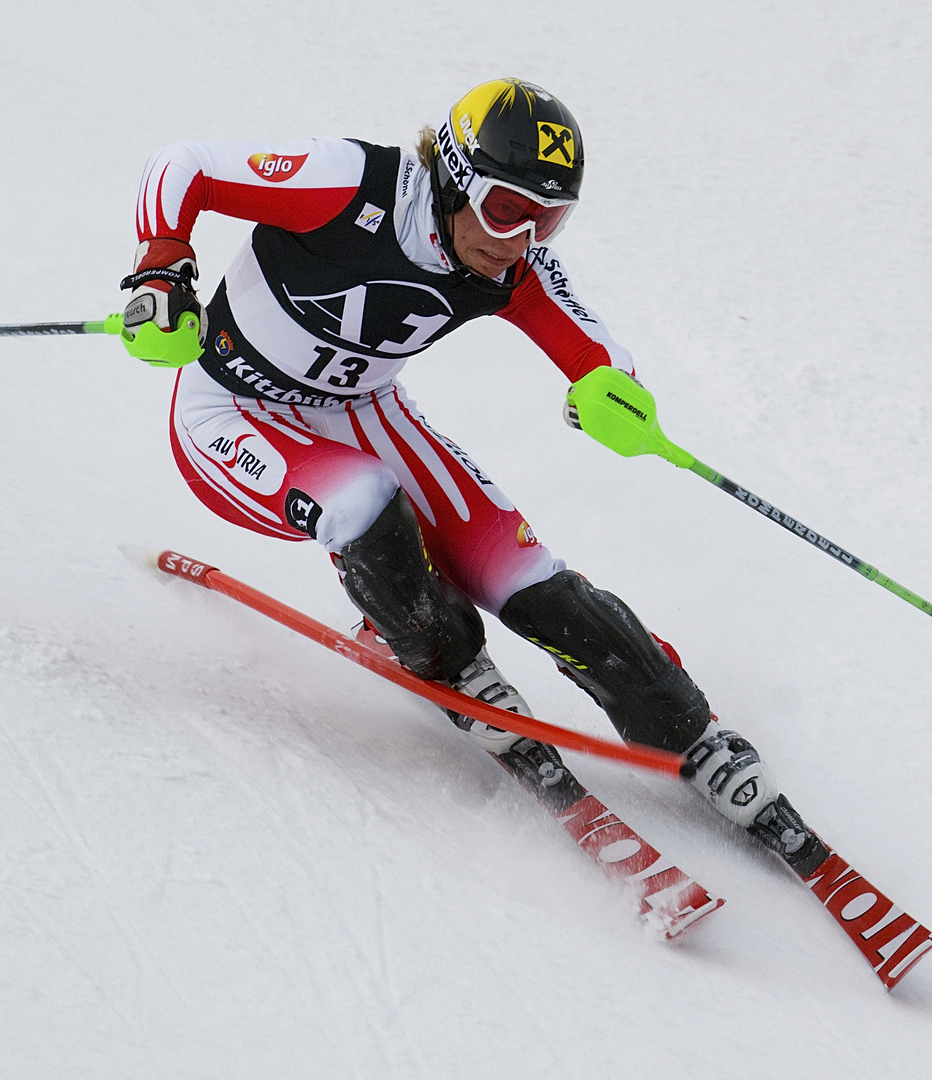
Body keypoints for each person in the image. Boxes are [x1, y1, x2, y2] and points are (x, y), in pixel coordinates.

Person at [122, 77, 822, 869]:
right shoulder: (348, 183)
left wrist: (606, 387)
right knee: (364, 505)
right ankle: (445, 656)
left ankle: (685, 727)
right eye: (503, 208)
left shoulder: (510, 265)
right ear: (453, 175)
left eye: (546, 219)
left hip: (367, 412)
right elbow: (184, 166)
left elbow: (586, 340)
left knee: (527, 576)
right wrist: (161, 269)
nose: (518, 237)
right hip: (235, 410)